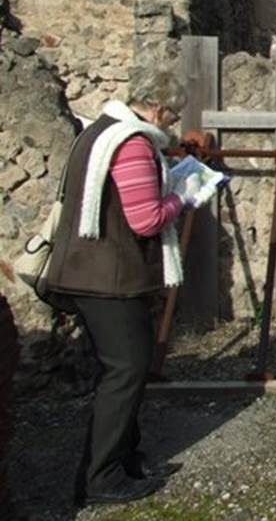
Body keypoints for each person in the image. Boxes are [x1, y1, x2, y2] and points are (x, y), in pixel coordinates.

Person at [46, 67, 194, 507]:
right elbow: (146, 219)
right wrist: (184, 194)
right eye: (173, 116)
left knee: (122, 370)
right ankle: (102, 478)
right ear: (158, 108)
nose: (172, 124)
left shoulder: (99, 132)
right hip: (110, 278)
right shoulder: (132, 144)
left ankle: (126, 458)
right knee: (126, 372)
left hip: (89, 271)